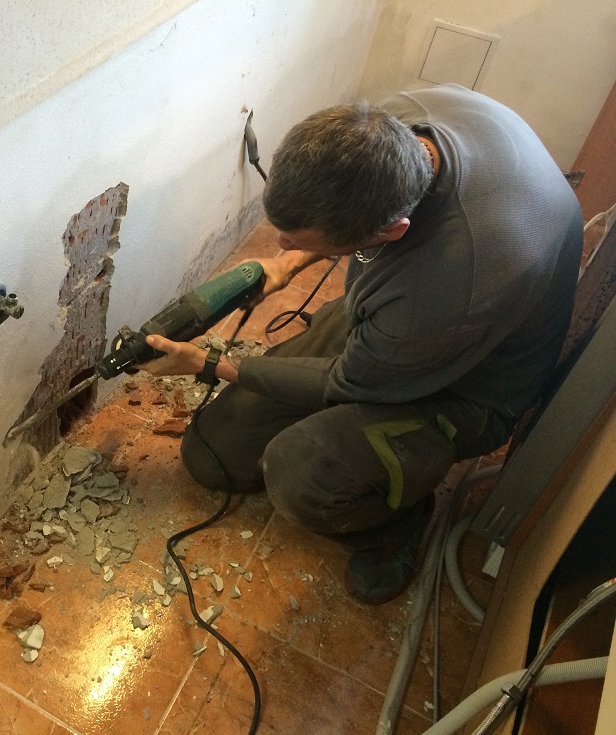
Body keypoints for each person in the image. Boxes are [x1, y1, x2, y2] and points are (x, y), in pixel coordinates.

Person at [140, 84, 584, 604]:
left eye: (298, 240)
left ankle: (398, 521)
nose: (279, 243)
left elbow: (344, 379)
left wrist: (208, 363)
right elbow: (341, 225)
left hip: (469, 387)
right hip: (402, 327)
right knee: (214, 455)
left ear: (392, 232)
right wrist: (288, 262)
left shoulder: (447, 284)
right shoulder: (383, 128)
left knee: (299, 474)